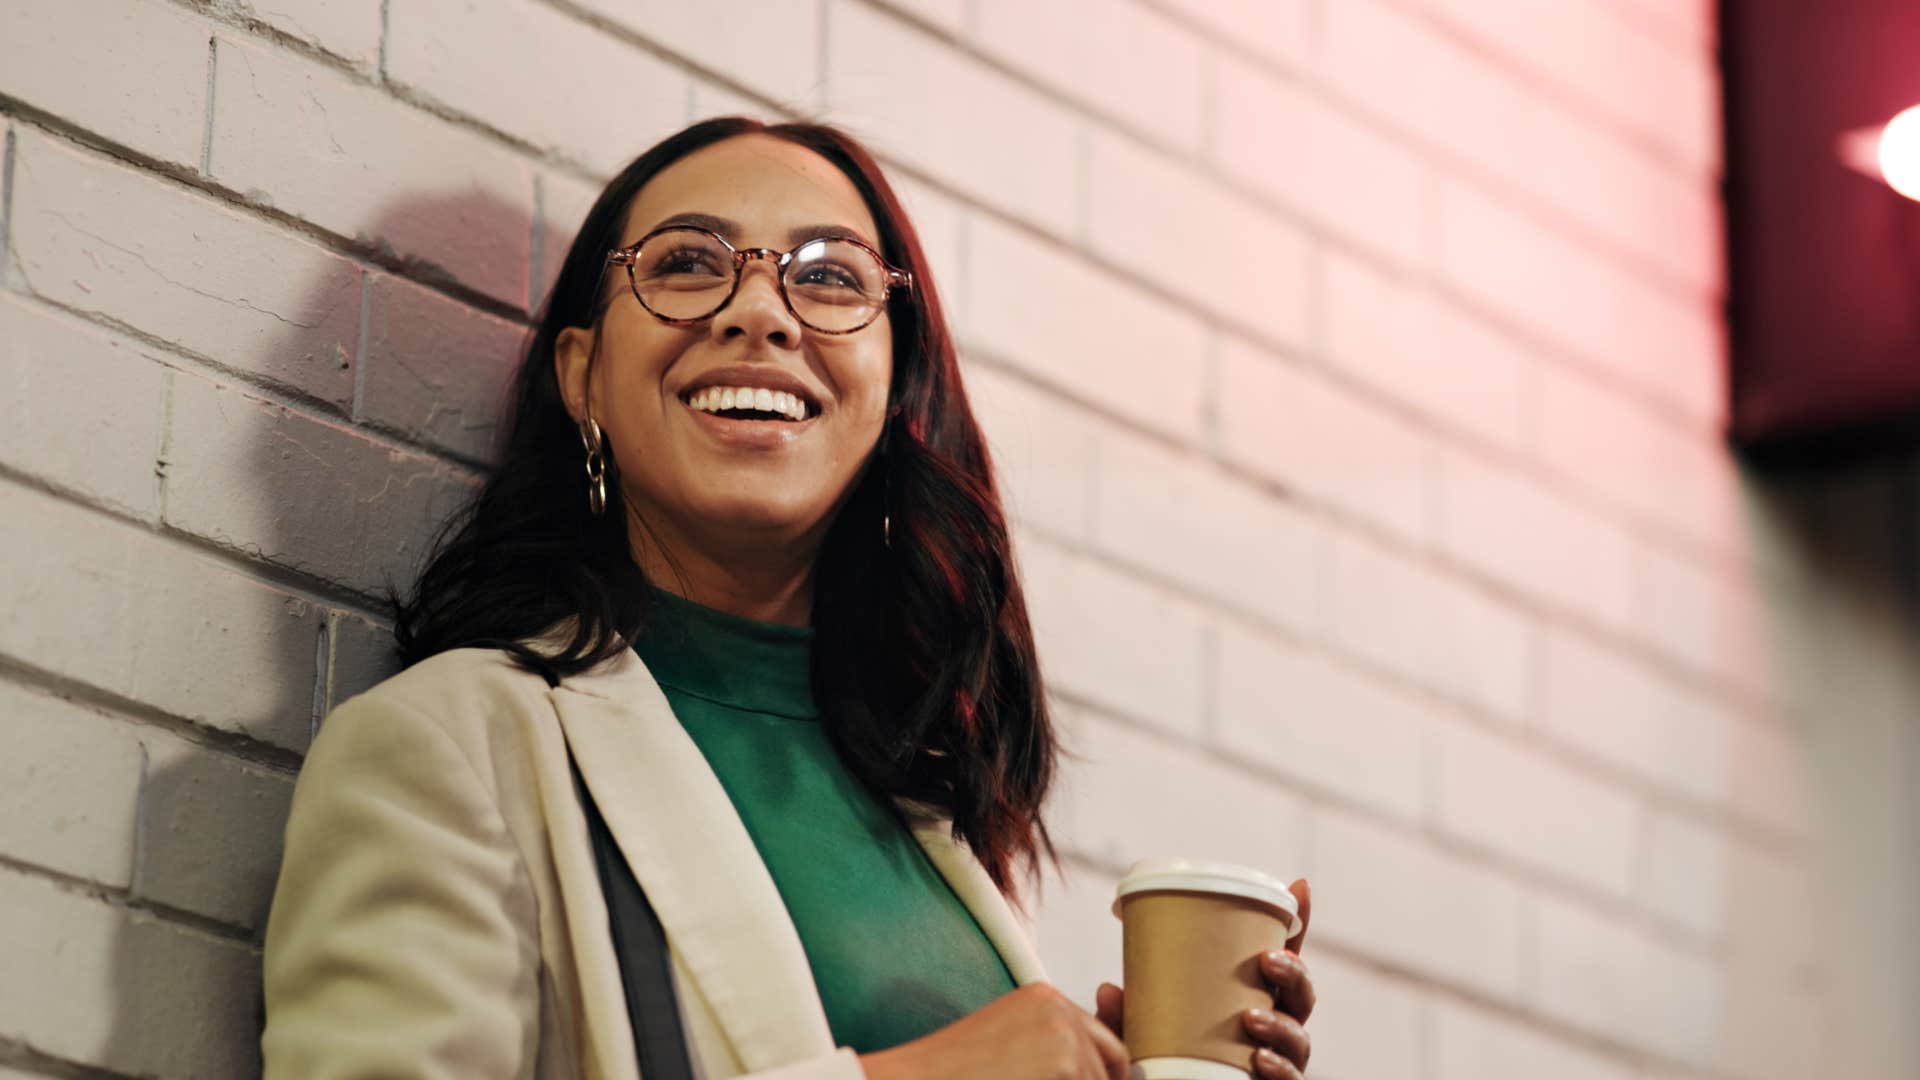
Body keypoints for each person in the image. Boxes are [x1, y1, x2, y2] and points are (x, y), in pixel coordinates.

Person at [258, 116, 1317, 1080]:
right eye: (685, 264)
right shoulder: (446, 749)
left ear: (896, 380)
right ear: (581, 376)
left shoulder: (934, 808)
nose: (760, 312)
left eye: (829, 278)